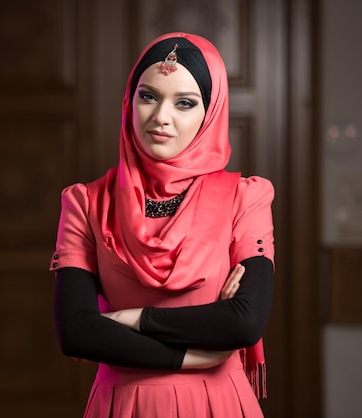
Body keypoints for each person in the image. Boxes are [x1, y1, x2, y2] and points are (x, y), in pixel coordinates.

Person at [50, 32, 275, 418]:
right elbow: (76, 332)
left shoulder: (244, 197)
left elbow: (243, 322)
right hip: (123, 405)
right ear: (129, 101)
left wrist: (132, 319)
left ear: (211, 113)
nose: (160, 118)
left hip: (217, 404)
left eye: (184, 103)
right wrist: (192, 356)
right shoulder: (86, 203)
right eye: (148, 96)